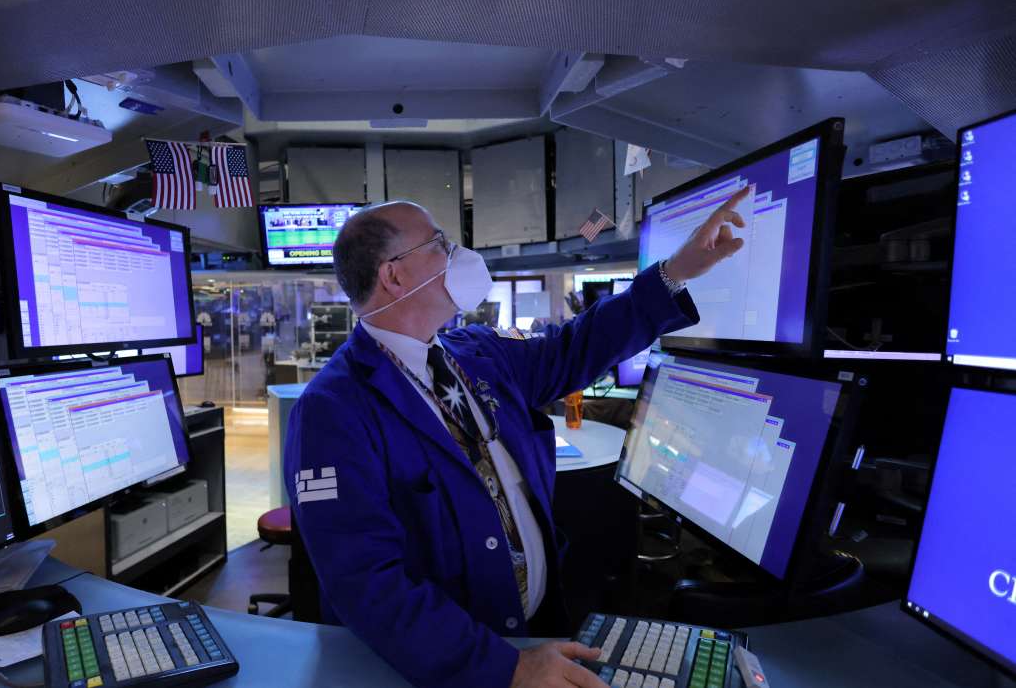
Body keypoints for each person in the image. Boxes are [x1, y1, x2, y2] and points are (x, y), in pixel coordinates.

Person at [284, 191, 750, 688]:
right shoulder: (332, 410)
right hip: (458, 667)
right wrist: (505, 669)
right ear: (393, 274)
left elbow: (578, 347)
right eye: (439, 242)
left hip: (536, 633)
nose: (456, 252)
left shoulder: (478, 351)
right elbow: (367, 585)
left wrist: (674, 272)